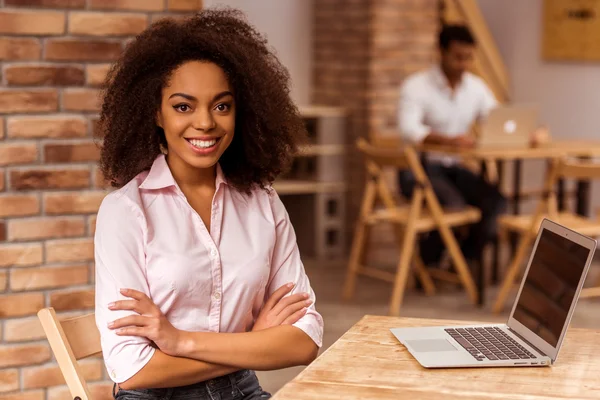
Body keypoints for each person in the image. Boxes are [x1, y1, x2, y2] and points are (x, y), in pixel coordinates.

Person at [94, 9, 323, 400]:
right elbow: (133, 369)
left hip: (242, 391)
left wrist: (180, 341)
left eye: (221, 106)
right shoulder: (125, 212)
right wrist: (252, 342)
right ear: (156, 113)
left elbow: (304, 341)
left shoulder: (263, 202)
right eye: (183, 106)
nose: (206, 123)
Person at [397, 24, 507, 267]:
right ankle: (429, 261)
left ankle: (462, 263)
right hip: (417, 171)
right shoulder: (416, 86)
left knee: (496, 202)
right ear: (441, 52)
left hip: (454, 169)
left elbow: (496, 118)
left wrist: (525, 134)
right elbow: (409, 130)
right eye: (458, 57)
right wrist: (450, 141)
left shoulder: (475, 87)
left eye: (468, 58)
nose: (463, 64)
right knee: (454, 206)